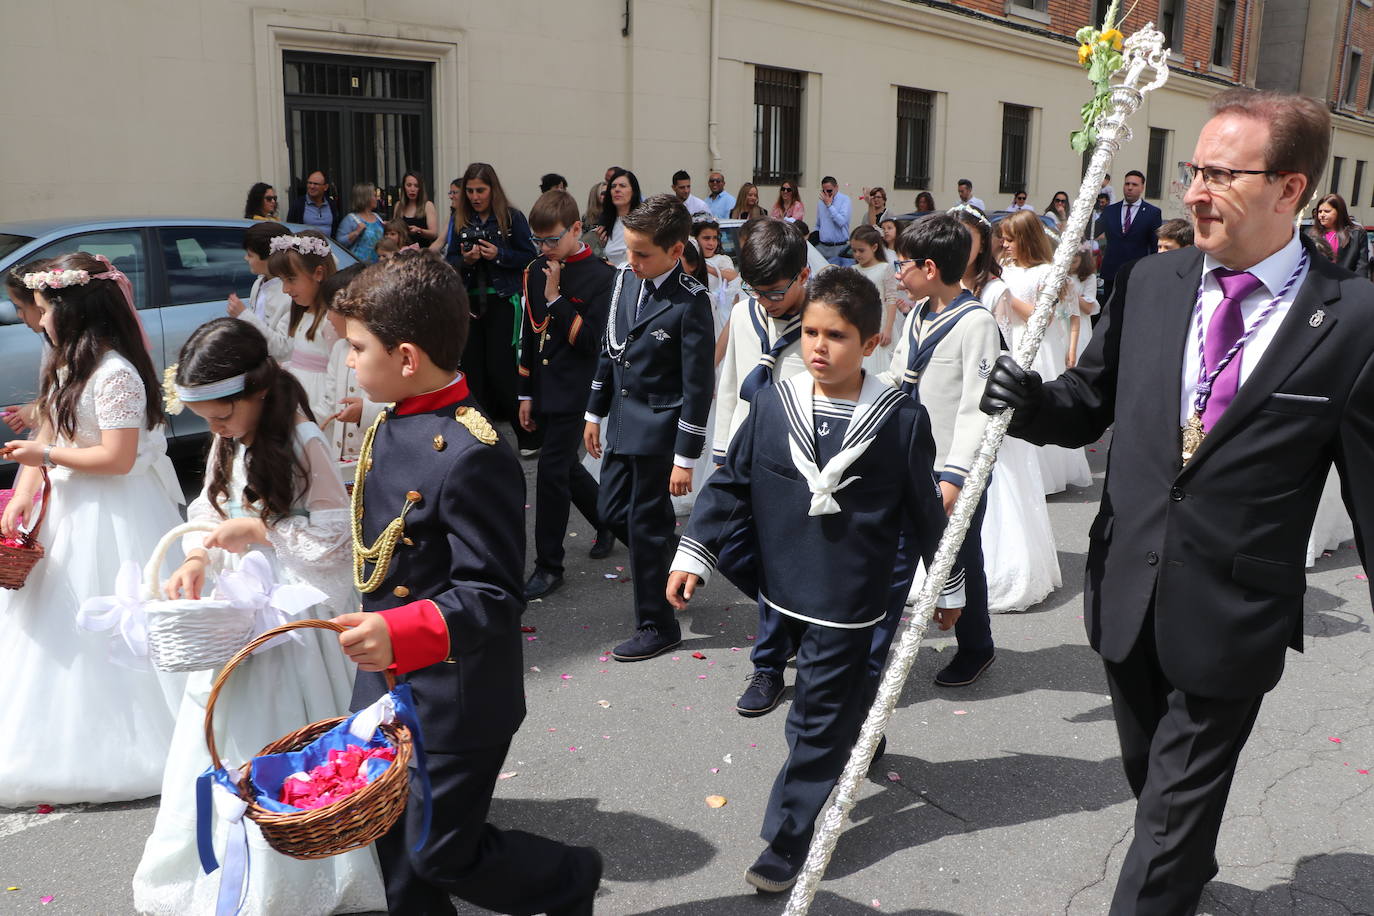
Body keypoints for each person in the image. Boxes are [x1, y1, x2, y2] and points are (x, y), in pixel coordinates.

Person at [981, 88, 1374, 915]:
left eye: (1222, 175)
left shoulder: (1354, 321)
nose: (1193, 191)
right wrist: (1029, 402)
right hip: (1127, 588)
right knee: (1152, 783)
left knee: (1161, 831)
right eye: (1194, 169)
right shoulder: (1156, 281)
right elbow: (1090, 403)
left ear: (1291, 189)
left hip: (1233, 611)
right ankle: (1185, 870)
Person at [666, 267, 964, 893]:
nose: (819, 348)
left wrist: (950, 585)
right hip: (782, 581)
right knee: (838, 706)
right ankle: (860, 729)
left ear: (871, 342)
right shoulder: (776, 401)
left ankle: (788, 835)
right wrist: (692, 555)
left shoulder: (899, 418)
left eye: (837, 336)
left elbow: (922, 509)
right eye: (810, 332)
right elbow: (733, 480)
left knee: (812, 717)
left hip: (850, 593)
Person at [330, 251, 602, 916]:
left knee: (441, 854)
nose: (347, 361)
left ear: (406, 357)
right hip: (388, 684)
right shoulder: (394, 418)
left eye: (357, 348)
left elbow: (492, 596)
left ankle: (569, 878)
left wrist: (395, 629)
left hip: (455, 695)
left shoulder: (474, 452)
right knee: (392, 844)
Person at [132, 317, 385, 916]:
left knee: (282, 737)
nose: (215, 430)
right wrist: (197, 553)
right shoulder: (231, 436)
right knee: (220, 732)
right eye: (208, 421)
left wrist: (263, 530)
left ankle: (302, 864)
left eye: (222, 417)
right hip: (239, 610)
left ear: (259, 392)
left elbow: (334, 538)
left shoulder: (304, 440)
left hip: (291, 618)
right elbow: (208, 504)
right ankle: (223, 858)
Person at [0, 252, 184, 807]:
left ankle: (130, 745)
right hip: (71, 509)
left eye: (47, 304)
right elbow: (54, 430)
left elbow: (118, 457)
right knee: (54, 629)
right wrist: (25, 494)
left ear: (73, 308)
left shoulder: (116, 374)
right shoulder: (67, 366)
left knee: (110, 621)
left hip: (117, 511)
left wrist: (45, 452)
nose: (40, 315)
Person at [583, 194, 715, 662]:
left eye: (643, 254)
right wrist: (593, 412)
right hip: (620, 423)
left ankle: (658, 626)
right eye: (630, 251)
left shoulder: (691, 301)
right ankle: (673, 553)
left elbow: (698, 386)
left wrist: (685, 458)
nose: (632, 262)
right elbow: (610, 349)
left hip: (659, 430)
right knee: (611, 508)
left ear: (676, 252)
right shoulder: (625, 282)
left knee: (643, 523)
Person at [880, 214, 999, 686]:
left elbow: (979, 407)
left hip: (952, 466)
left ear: (929, 267)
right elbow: (895, 377)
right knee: (900, 555)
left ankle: (976, 646)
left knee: (959, 556)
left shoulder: (976, 324)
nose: (896, 272)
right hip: (909, 460)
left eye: (901, 263)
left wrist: (955, 476)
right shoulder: (917, 315)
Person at [712, 220, 812, 716]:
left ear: (804, 275)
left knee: (781, 559)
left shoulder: (822, 324)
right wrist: (720, 451)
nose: (767, 301)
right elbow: (731, 381)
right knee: (731, 551)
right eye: (758, 291)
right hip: (746, 456)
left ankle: (769, 664)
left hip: (803, 469)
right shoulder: (748, 312)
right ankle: (798, 619)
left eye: (776, 291)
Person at [948, 208, 1059, 614]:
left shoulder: (994, 290)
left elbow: (1000, 346)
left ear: (982, 246)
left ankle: (999, 566)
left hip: (987, 390)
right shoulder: (945, 286)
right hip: (952, 392)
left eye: (967, 240)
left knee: (997, 480)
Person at [518, 190, 616, 600]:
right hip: (544, 385)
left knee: (552, 471)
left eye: (552, 240)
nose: (544, 249)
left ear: (577, 229)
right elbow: (528, 332)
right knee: (565, 469)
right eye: (538, 241)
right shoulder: (534, 269)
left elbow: (592, 342)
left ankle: (549, 565)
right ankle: (606, 519)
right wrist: (524, 392)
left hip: (579, 386)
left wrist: (557, 299)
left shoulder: (603, 276)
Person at [433, 163, 538, 452]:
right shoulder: (460, 219)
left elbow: (530, 256)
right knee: (473, 372)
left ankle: (528, 435)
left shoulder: (511, 218)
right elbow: (451, 260)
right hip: (469, 302)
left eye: (480, 190)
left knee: (502, 370)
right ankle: (478, 439)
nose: (475, 196)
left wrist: (498, 254)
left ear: (493, 189)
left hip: (502, 300)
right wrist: (466, 261)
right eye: (470, 191)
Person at [996, 210, 1092, 494]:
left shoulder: (1045, 273)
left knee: (1032, 403)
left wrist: (1006, 296)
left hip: (1037, 342)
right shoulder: (1005, 268)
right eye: (1003, 239)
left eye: (1010, 239)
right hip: (1009, 339)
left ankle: (1045, 475)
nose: (1005, 245)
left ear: (1026, 239)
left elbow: (1044, 317)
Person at [268, 230, 340, 428]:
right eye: (282, 280)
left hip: (318, 417)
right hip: (300, 407)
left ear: (318, 273)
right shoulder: (303, 315)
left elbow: (338, 379)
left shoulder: (331, 322)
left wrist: (312, 420)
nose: (285, 289)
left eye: (290, 279)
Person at [319, 265, 383, 462]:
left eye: (331, 309)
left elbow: (398, 406)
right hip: (341, 458)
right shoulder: (340, 349)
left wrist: (365, 412)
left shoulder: (385, 351)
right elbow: (329, 402)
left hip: (373, 457)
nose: (328, 317)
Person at [227, 221, 294, 362]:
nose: (246, 258)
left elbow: (282, 347)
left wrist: (243, 315)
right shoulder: (259, 283)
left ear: (270, 258)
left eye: (250, 255)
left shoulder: (290, 293)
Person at [1096, 169, 1163, 304]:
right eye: (1127, 184)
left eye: (1134, 185)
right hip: (1111, 272)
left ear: (1142, 187)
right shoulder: (1110, 210)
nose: (1130, 188)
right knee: (1109, 313)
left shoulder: (1152, 212)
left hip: (1137, 272)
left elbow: (1155, 245)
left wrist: (1153, 272)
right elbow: (1092, 232)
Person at [1, 259, 52, 433]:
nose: (19, 315)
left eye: (20, 307)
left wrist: (39, 412)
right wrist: (33, 410)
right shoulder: (52, 343)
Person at [848, 224, 897, 370]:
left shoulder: (884, 268)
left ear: (874, 247)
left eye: (861, 250)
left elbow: (891, 299)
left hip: (879, 322)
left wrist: (887, 329)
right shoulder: (853, 270)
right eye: (854, 250)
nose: (857, 254)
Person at [1307, 193, 1369, 276]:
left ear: (1339, 212)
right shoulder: (1311, 234)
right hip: (1318, 283)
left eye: (1327, 211)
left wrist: (1357, 286)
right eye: (1320, 211)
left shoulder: (1356, 234)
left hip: (1345, 283)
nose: (1322, 215)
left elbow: (1362, 267)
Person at [692, 219, 739, 321]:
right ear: (695, 239)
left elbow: (733, 277)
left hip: (717, 315)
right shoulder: (688, 261)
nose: (711, 243)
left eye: (715, 238)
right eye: (706, 238)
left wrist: (706, 267)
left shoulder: (723, 259)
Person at [597, 168, 643, 268]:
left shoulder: (643, 222)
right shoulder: (606, 223)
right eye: (613, 186)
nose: (617, 189)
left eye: (622, 186)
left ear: (633, 191)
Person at [336, 182, 385, 264]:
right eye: (374, 196)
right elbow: (339, 243)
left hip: (378, 266)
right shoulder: (350, 219)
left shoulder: (378, 218)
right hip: (358, 267)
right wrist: (356, 232)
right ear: (366, 198)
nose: (377, 198)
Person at [286, 169, 342, 236]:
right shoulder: (298, 205)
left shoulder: (331, 204)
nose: (312, 186)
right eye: (310, 183)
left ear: (325, 187)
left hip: (330, 245)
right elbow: (290, 228)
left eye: (316, 184)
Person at [813, 176, 853, 265]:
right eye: (824, 191)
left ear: (836, 187)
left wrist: (829, 206)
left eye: (829, 191)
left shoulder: (845, 200)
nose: (827, 194)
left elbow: (841, 222)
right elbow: (818, 224)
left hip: (839, 247)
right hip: (822, 246)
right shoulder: (821, 202)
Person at [396, 170, 440, 245]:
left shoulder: (428, 205)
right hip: (402, 252)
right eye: (409, 185)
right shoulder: (398, 205)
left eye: (416, 186)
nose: (412, 189)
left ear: (420, 189)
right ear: (404, 187)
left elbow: (434, 233)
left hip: (421, 252)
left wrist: (420, 231)